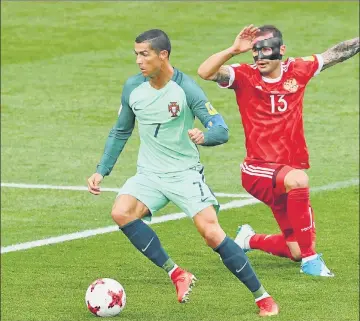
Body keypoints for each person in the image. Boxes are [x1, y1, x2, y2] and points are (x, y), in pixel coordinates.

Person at [87, 29, 279, 316]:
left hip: (184, 174)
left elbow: (221, 129)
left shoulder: (186, 89)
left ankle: (263, 298)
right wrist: (102, 171)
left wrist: (205, 136)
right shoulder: (132, 89)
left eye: (145, 54)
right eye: (136, 54)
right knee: (121, 211)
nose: (139, 61)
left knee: (212, 234)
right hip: (149, 174)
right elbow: (121, 131)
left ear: (163, 55)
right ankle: (176, 273)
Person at [198, 25, 359, 277]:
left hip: (285, 174)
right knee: (299, 180)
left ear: (281, 50)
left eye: (265, 50)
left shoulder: (298, 70)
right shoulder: (244, 75)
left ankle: (249, 240)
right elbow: (205, 72)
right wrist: (232, 50)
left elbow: (336, 53)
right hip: (257, 170)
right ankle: (311, 262)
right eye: (255, 51)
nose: (260, 57)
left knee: (295, 249)